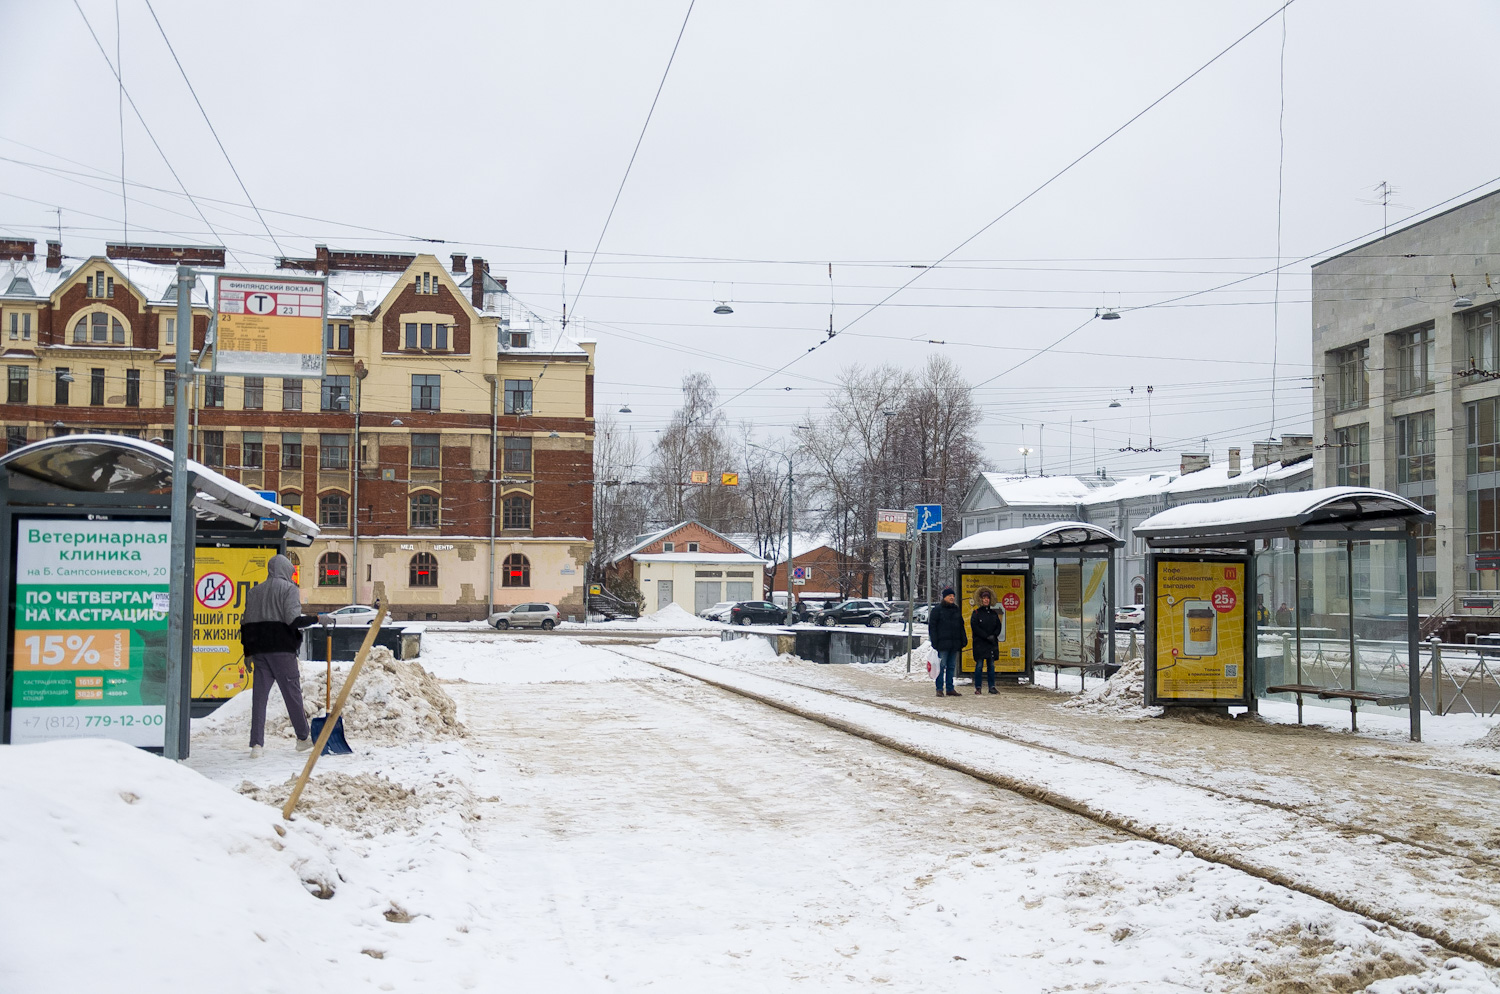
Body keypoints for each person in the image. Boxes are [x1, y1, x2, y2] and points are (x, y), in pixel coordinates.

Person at [239, 554, 328, 758]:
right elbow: (293, 620)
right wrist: (317, 618)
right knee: (292, 694)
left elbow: (246, 624)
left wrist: (247, 652)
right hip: (282, 650)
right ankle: (303, 738)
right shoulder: (289, 589)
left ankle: (256, 745)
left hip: (260, 651)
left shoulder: (254, 592)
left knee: (259, 698)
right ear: (287, 570)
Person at [927, 586, 968, 698]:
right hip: (942, 644)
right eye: (950, 596)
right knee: (941, 666)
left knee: (951, 667)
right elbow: (932, 627)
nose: (952, 598)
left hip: (954, 644)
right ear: (944, 597)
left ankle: (950, 688)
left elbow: (961, 626)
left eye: (953, 596)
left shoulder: (956, 609)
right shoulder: (937, 610)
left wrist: (963, 639)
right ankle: (939, 689)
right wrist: (935, 642)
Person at [969, 586, 1003, 694]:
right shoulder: (976, 613)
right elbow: (975, 627)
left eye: (987, 598)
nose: (986, 600)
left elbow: (998, 626)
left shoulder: (993, 613)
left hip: (991, 644)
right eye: (984, 598)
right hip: (980, 643)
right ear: (980, 599)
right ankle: (978, 687)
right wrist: (986, 636)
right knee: (979, 665)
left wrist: (994, 635)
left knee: (991, 666)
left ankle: (991, 687)